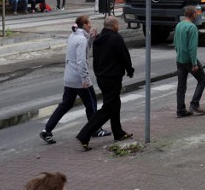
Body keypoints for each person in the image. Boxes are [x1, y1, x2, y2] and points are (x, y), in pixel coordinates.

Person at [39, 16, 110, 144]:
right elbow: (81, 61)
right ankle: (95, 129)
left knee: (65, 104)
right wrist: (85, 79)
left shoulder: (73, 35)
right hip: (79, 79)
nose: (91, 25)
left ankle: (47, 130)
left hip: (69, 77)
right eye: (90, 24)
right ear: (85, 25)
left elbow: (82, 49)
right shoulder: (81, 39)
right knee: (91, 103)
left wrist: (91, 38)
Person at [76, 16, 134, 151]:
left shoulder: (98, 39)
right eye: (118, 24)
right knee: (108, 108)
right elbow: (124, 56)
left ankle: (118, 132)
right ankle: (84, 134)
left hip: (101, 77)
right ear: (114, 25)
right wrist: (129, 70)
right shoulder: (116, 38)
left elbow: (95, 59)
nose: (118, 26)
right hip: (113, 77)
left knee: (115, 103)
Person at [174, 5, 205, 117]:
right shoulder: (192, 28)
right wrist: (194, 63)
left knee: (181, 85)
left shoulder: (179, 25)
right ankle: (194, 105)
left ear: (184, 14)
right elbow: (192, 48)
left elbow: (175, 43)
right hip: (189, 60)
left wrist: (179, 55)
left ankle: (180, 110)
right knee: (202, 79)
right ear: (194, 14)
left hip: (180, 59)